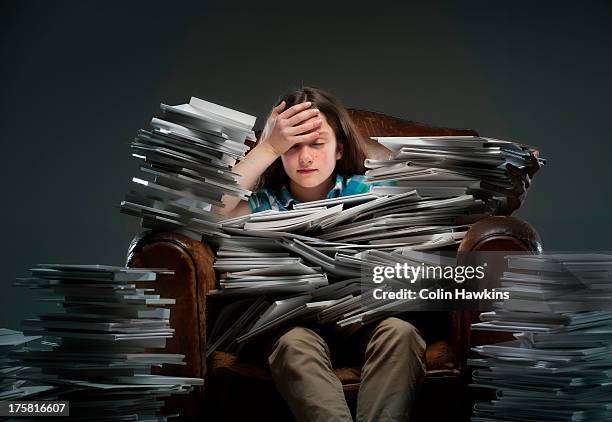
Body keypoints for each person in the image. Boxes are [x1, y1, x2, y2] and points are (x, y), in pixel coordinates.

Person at [217, 86, 538, 421]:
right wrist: (268, 144)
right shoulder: (264, 204)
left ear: (339, 149)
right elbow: (213, 213)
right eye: (293, 146)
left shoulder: (371, 190)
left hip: (371, 316)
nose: (306, 157)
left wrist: (354, 138)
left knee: (400, 334)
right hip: (294, 325)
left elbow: (465, 196)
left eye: (318, 142)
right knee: (292, 348)